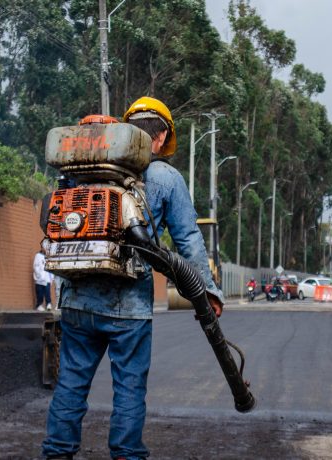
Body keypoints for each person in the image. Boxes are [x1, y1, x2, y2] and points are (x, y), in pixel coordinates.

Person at [41, 97, 224, 460]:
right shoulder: (164, 177)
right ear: (159, 139)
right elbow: (187, 239)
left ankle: (57, 453)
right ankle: (126, 454)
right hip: (130, 308)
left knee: (72, 383)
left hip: (77, 297)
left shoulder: (80, 169)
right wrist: (208, 291)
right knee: (128, 387)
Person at [34, 246, 53, 311]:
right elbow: (36, 266)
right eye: (44, 247)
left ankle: (48, 304)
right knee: (40, 293)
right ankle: (39, 305)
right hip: (40, 278)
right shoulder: (38, 256)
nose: (46, 249)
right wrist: (39, 275)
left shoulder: (48, 257)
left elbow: (51, 267)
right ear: (42, 248)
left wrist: (51, 278)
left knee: (47, 292)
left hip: (47, 278)